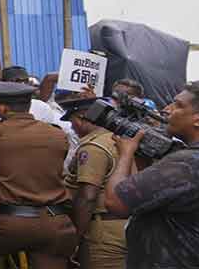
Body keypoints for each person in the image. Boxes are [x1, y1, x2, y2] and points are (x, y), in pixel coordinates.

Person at [0, 81, 77, 269]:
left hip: (11, 224)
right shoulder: (57, 134)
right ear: (28, 105)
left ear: (1, 108)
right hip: (56, 222)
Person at [105, 81, 199, 269]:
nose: (167, 109)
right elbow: (151, 195)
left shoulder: (187, 163)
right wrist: (142, 154)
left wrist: (126, 153)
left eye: (178, 105)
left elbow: (116, 202)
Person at [59, 94, 127, 269]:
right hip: (128, 226)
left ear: (82, 118)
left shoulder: (94, 147)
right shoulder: (123, 140)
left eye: (72, 121)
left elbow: (88, 197)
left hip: (104, 231)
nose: (72, 127)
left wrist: (75, 239)